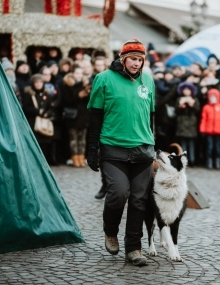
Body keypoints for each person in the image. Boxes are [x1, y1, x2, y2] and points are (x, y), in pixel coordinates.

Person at [86, 39, 155, 266]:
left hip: (143, 149)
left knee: (138, 201)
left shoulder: (148, 81)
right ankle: (110, 231)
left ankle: (134, 248)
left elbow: (151, 117)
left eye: (140, 60)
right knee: (118, 193)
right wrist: (92, 148)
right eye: (132, 59)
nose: (136, 63)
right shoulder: (104, 79)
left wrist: (154, 144)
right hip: (113, 147)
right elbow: (95, 116)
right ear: (122, 59)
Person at [61, 64, 91, 167]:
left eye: (81, 73)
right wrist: (78, 96)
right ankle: (75, 159)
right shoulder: (67, 84)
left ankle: (81, 158)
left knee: (82, 139)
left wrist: (87, 93)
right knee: (73, 139)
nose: (79, 75)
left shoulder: (86, 84)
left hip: (84, 116)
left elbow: (90, 101)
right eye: (77, 73)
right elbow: (66, 101)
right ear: (73, 73)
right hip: (72, 116)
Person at [22, 74, 54, 162]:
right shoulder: (29, 94)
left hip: (44, 123)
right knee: (35, 142)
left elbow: (51, 107)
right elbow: (25, 108)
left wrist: (48, 113)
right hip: (33, 122)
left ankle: (45, 161)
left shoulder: (47, 94)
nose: (38, 84)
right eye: (36, 82)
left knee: (45, 143)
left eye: (40, 82)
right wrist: (38, 111)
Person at [199, 88, 220, 169]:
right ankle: (209, 162)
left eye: (214, 97)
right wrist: (202, 130)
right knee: (210, 147)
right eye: (211, 97)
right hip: (209, 132)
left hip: (219, 132)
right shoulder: (206, 107)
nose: (212, 99)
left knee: (218, 148)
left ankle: (217, 162)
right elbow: (203, 119)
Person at [175, 81, 200, 167]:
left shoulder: (194, 99)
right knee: (183, 143)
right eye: (185, 90)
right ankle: (183, 160)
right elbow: (176, 111)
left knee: (191, 143)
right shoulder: (179, 99)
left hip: (191, 123)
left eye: (188, 90)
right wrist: (180, 106)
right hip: (182, 123)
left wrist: (192, 105)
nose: (186, 91)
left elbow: (197, 111)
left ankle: (192, 160)